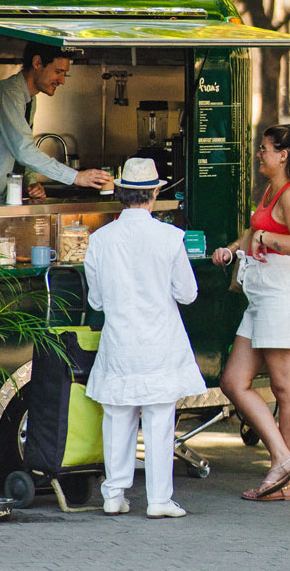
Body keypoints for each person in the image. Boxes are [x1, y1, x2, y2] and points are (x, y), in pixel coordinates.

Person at [83, 156, 204, 519]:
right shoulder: (170, 237)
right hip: (159, 343)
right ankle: (158, 499)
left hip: (119, 342)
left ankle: (113, 494)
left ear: (120, 194)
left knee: (116, 418)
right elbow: (187, 294)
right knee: (159, 422)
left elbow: (96, 300)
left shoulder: (99, 240)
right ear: (154, 194)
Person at [211, 123, 290, 502]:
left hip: (282, 296)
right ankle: (284, 460)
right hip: (262, 298)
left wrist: (266, 238)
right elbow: (252, 232)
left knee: (286, 389)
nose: (259, 154)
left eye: (265, 148)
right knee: (233, 381)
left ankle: (284, 481)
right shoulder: (270, 190)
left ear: (283, 155)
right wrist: (231, 248)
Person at [0, 43, 114, 206]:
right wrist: (76, 177)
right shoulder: (8, 94)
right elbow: (23, 150)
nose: (62, 81)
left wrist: (31, 183)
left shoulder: (29, 99)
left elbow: (24, 147)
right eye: (58, 72)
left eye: (65, 74)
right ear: (37, 63)